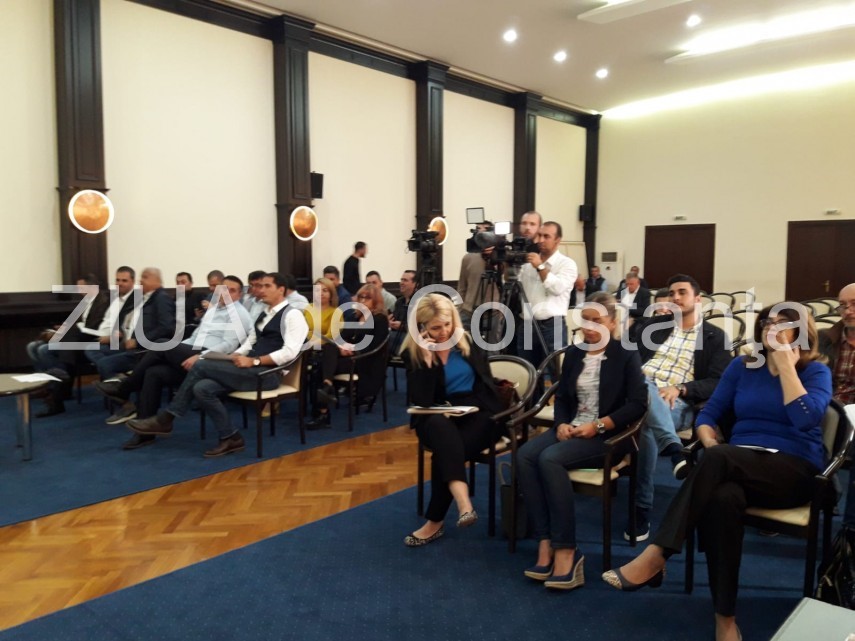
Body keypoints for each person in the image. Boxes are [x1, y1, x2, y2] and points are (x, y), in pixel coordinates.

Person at [603, 303, 831, 641]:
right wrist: (708, 439)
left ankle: (657, 554)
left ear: (801, 331)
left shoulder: (815, 371)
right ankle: (725, 618)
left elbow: (806, 419)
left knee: (720, 460)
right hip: (736, 463)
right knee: (723, 498)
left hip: (794, 470)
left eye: (784, 322)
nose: (773, 327)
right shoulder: (743, 366)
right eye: (768, 321)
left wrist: (786, 367)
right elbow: (710, 412)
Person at [518, 292, 647, 590]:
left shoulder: (625, 354)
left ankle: (567, 550)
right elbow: (563, 397)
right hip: (573, 428)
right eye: (585, 320)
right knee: (525, 456)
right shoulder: (576, 352)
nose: (589, 327)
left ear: (612, 322)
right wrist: (562, 422)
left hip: (608, 436)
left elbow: (638, 404)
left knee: (549, 459)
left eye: (596, 321)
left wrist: (598, 425)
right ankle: (545, 540)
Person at [125, 272, 308, 457]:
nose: (261, 290)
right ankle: (231, 437)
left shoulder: (293, 315)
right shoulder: (265, 313)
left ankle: (167, 418)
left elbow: (290, 352)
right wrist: (236, 355)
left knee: (201, 365)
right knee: (201, 388)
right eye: (260, 286)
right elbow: (251, 341)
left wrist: (255, 360)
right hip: (249, 368)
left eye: (267, 286)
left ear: (281, 290)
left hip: (268, 375)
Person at [628, 273, 731, 540]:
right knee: (642, 383)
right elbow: (628, 360)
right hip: (635, 393)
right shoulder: (654, 327)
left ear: (698, 299)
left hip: (678, 403)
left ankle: (640, 508)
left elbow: (718, 381)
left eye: (682, 292)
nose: (675, 297)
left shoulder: (715, 337)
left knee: (646, 426)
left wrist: (681, 388)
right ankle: (675, 452)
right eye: (671, 293)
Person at [94, 275, 253, 437]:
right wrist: (178, 350)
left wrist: (200, 356)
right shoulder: (213, 310)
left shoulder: (239, 314)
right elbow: (195, 337)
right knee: (154, 372)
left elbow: (228, 346)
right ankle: (145, 431)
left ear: (239, 294)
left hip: (210, 360)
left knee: (162, 343)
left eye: (232, 291)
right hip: (193, 351)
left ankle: (124, 388)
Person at [402, 293, 503, 546]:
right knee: (440, 430)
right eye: (436, 328)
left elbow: (486, 385)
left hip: (478, 413)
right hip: (437, 415)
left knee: (445, 454)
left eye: (447, 324)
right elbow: (423, 401)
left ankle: (437, 521)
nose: (444, 332)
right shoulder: (413, 353)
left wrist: (471, 408)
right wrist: (428, 362)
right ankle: (463, 504)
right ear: (422, 327)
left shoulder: (468, 343)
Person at [306, 284, 389, 430]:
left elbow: (374, 346)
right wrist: (342, 347)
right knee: (329, 349)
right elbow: (340, 338)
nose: (362, 301)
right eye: (360, 297)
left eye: (367, 298)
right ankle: (326, 390)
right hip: (347, 358)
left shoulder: (380, 319)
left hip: (365, 361)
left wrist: (352, 350)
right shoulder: (354, 317)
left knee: (321, 366)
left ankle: (322, 411)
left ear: (376, 301)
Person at [86, 267, 177, 381]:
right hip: (127, 344)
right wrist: (121, 333)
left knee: (104, 364)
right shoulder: (147, 298)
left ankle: (122, 385)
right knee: (92, 349)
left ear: (157, 280)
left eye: (145, 277)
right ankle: (122, 378)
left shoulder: (162, 298)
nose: (141, 280)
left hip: (143, 351)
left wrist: (137, 341)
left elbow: (166, 328)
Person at [818, 283, 855, 527]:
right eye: (842, 305)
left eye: (854, 304)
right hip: (826, 406)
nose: (848, 311)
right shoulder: (824, 339)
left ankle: (850, 527)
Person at [518, 221, 576, 374]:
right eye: (539, 235)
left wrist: (540, 266)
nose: (541, 240)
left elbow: (557, 288)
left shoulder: (567, 264)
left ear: (558, 240)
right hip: (528, 324)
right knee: (527, 371)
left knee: (555, 371)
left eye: (546, 236)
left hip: (552, 325)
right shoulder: (527, 265)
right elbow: (511, 282)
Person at [389, 270, 418, 355]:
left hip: (412, 338)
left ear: (415, 284)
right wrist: (389, 323)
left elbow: (421, 327)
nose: (401, 283)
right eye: (401, 280)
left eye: (405, 280)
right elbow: (394, 320)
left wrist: (403, 326)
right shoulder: (399, 302)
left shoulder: (420, 302)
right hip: (397, 335)